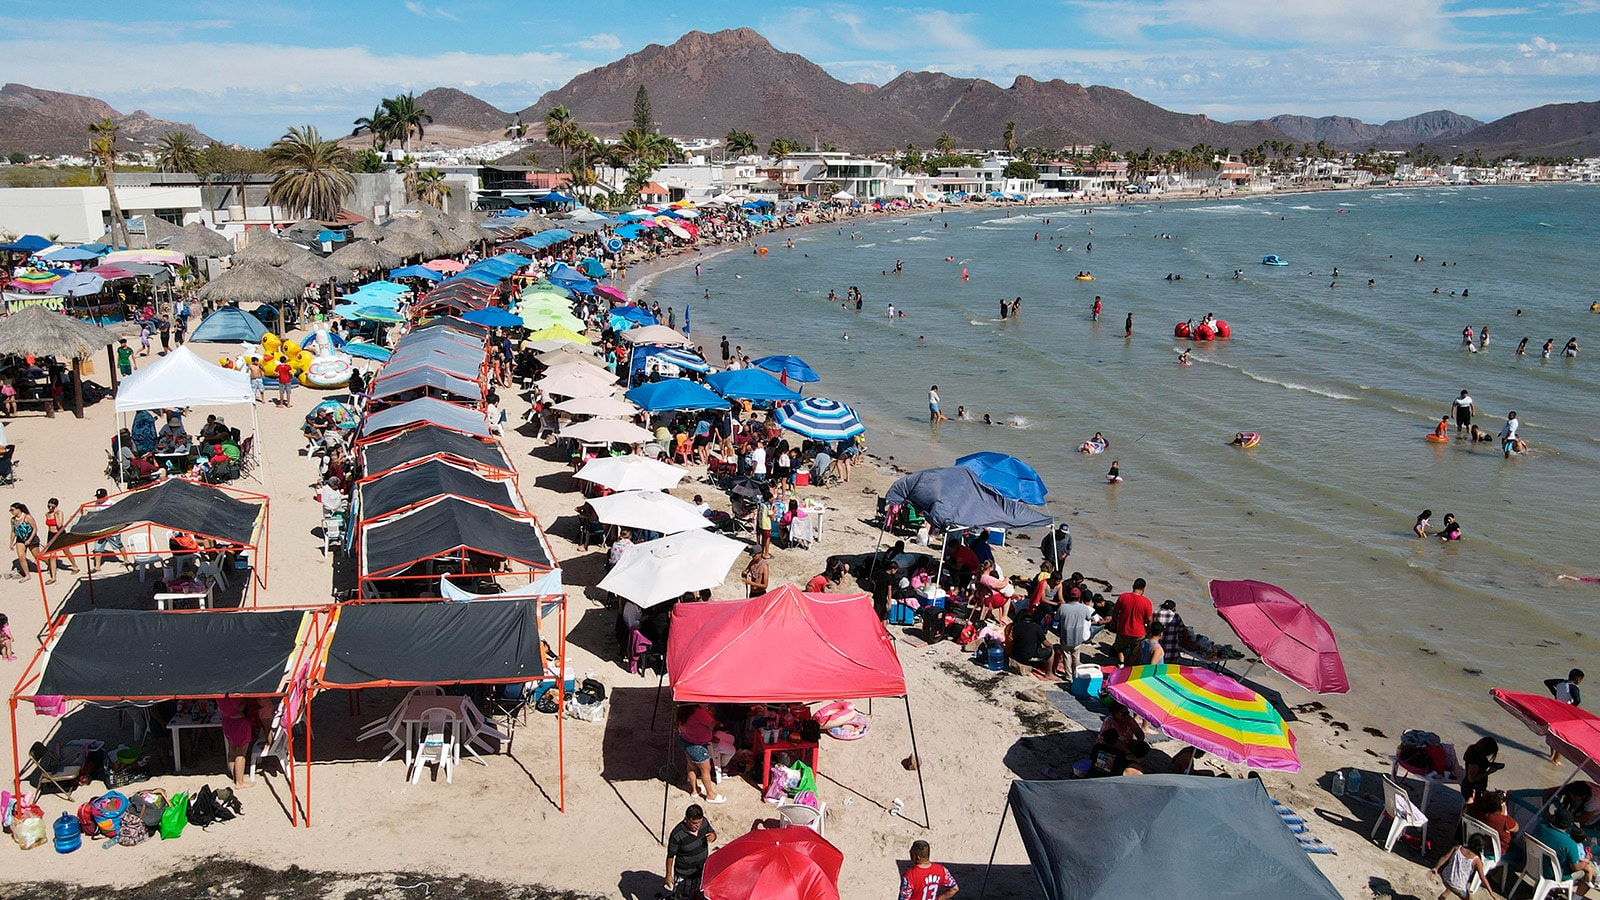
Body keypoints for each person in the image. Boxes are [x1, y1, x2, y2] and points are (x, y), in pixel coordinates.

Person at [665, 804, 718, 900]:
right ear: (686, 820)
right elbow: (670, 856)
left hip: (701, 872)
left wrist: (713, 836)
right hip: (684, 876)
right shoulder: (677, 834)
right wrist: (668, 875)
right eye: (694, 823)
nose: (698, 825)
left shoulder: (704, 823)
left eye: (699, 822)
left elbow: (713, 833)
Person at [676, 705, 725, 804]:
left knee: (691, 766)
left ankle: (695, 790)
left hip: (685, 741)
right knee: (705, 770)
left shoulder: (682, 709)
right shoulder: (698, 711)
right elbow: (712, 724)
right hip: (697, 746)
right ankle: (710, 794)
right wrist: (710, 716)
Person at [1430, 833, 1498, 900]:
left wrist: (1436, 868)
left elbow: (1445, 857)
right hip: (1458, 887)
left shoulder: (1457, 848)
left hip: (1446, 878)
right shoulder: (1476, 860)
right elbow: (1482, 877)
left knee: (1455, 881)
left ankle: (1443, 896)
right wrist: (1491, 892)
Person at [1109, 578, 1153, 666]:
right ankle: (1130, 665)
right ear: (1143, 590)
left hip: (1123, 629)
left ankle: (1121, 663)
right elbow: (1149, 619)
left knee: (1120, 648)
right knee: (1135, 652)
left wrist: (1114, 621)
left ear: (1133, 587)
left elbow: (1115, 611)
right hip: (1138, 633)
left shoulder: (1123, 597)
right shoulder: (1146, 602)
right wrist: (1149, 629)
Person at [218, 694, 252, 787]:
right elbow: (240, 707)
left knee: (232, 751)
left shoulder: (218, 693)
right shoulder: (233, 693)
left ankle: (236, 777)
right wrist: (246, 700)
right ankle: (239, 782)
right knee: (241, 753)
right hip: (239, 722)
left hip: (227, 721)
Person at [1460, 736, 1501, 805]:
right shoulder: (1476, 757)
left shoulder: (1474, 750)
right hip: (1472, 788)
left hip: (1472, 787)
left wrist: (1488, 765)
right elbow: (1472, 779)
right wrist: (1488, 772)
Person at [9, 502, 42, 581]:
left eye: (12, 510)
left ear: (18, 509)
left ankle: (50, 564)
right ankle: (27, 575)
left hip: (31, 538)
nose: (11, 511)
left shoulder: (27, 517)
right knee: (21, 557)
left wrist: (29, 540)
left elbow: (35, 528)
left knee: (38, 556)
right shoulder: (13, 520)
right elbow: (13, 531)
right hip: (20, 539)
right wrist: (11, 543)